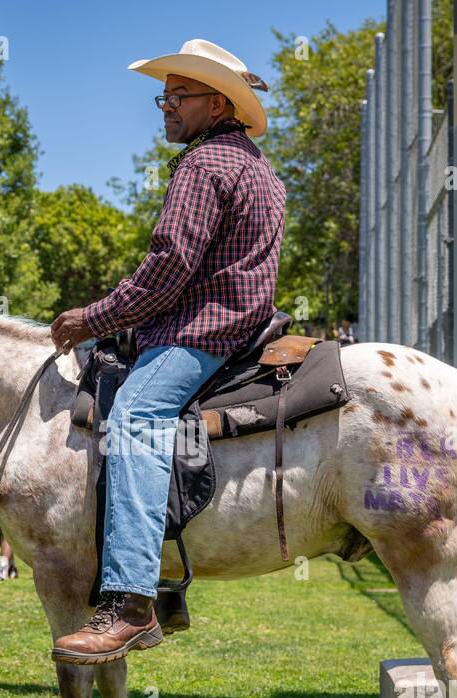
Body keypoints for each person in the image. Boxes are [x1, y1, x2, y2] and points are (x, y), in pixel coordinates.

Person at [48, 40, 285, 663]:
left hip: (201, 333)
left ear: (216, 102)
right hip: (239, 327)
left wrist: (92, 316)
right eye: (164, 96)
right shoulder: (260, 167)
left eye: (177, 97)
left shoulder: (203, 166)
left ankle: (130, 603)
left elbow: (168, 267)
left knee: (135, 418)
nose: (165, 108)